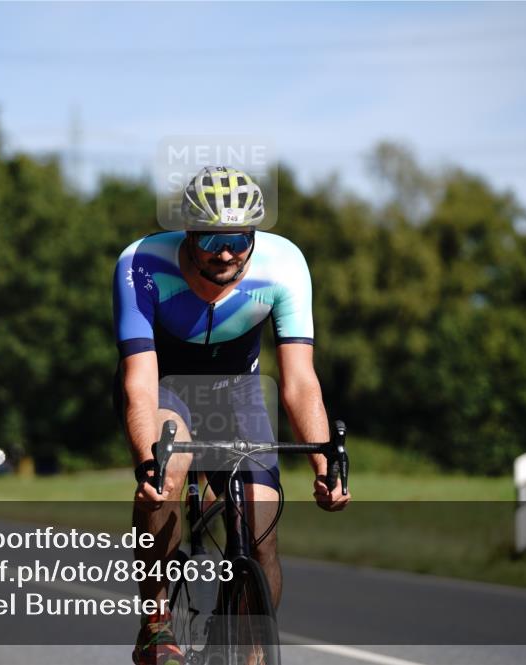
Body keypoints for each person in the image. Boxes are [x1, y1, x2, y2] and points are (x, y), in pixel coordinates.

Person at [113, 166, 350, 665]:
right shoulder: (142, 263)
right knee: (169, 469)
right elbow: (137, 379)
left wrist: (325, 465)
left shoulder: (284, 265)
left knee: (261, 536)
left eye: (239, 239)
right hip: (165, 386)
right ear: (190, 234)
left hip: (237, 391)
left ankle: (252, 648)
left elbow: (301, 381)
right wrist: (146, 464)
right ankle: (156, 620)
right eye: (214, 240)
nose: (226, 253)